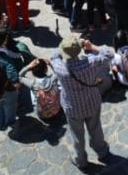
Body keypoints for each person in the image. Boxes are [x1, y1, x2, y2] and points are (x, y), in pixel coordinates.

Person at [51, 35, 115, 170]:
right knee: (96, 129)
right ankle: (102, 151)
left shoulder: (59, 68)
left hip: (73, 108)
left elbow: (54, 56)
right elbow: (109, 53)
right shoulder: (91, 62)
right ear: (79, 49)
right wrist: (89, 45)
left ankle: (81, 160)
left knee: (77, 136)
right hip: (92, 102)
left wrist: (65, 47)